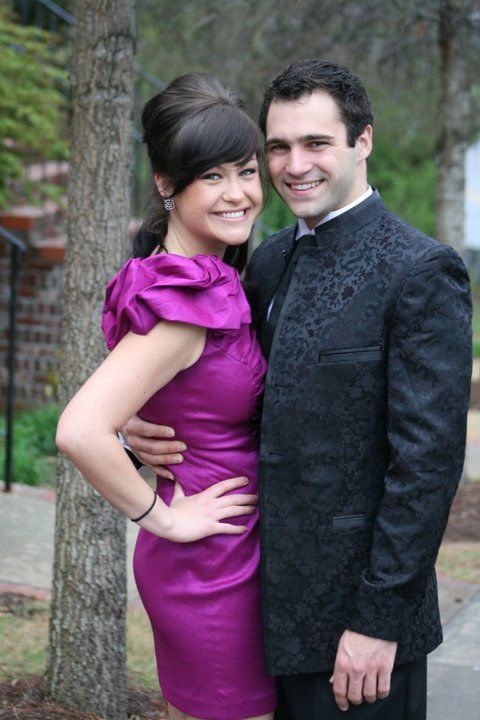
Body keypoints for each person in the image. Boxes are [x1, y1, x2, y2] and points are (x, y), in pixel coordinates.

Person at [124, 60, 472, 720]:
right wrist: (136, 433)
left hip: (359, 630)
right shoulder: (268, 258)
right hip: (259, 606)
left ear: (363, 141)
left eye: (316, 143)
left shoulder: (422, 271)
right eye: (278, 147)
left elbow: (426, 466)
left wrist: (378, 622)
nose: (294, 165)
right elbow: (225, 393)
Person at [56, 72, 277, 720]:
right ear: (165, 185)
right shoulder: (184, 306)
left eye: (246, 171)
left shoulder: (191, 275)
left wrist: (134, 426)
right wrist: (166, 518)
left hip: (230, 552)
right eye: (212, 176)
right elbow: (79, 430)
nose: (238, 193)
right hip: (213, 566)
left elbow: (173, 396)